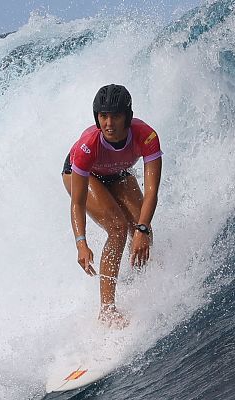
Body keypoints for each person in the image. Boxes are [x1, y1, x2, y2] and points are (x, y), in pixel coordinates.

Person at [61, 84, 162, 328]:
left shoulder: (146, 137)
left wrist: (142, 229)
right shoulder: (88, 146)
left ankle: (141, 283)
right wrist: (81, 243)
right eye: (103, 116)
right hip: (83, 176)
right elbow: (76, 202)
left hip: (117, 172)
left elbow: (151, 193)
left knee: (142, 226)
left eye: (115, 116)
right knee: (117, 228)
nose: (108, 123)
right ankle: (107, 310)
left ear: (127, 117)